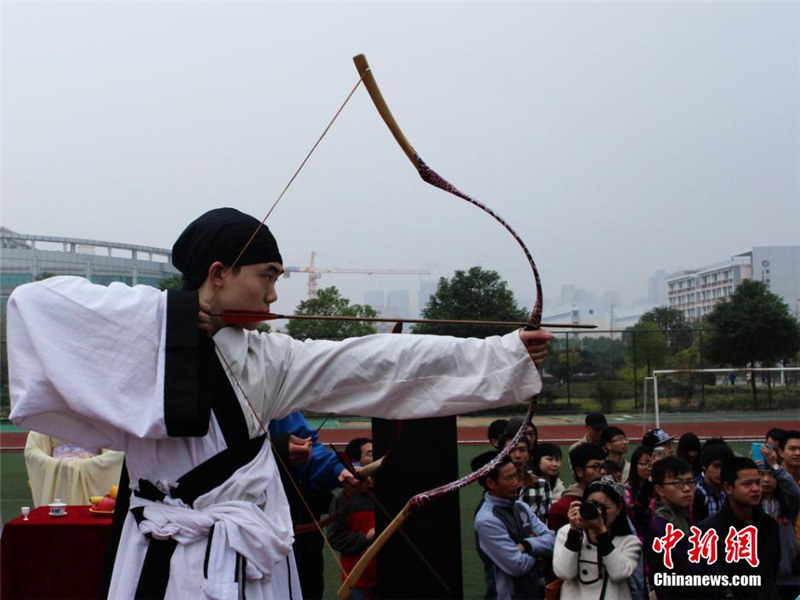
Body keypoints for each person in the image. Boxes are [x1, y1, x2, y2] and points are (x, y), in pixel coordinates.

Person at [7, 207, 553, 599]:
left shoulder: (268, 359)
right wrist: (166, 320)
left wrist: (503, 355)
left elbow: (376, 361)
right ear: (218, 275)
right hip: (166, 555)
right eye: (266, 277)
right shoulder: (141, 349)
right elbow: (34, 302)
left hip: (247, 557)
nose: (273, 296)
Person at [269, 412, 366, 600]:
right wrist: (276, 447)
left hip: (278, 535)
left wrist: (340, 470)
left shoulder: (267, 390)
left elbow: (308, 450)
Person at [698, 456, 781, 599]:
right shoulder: (709, 532)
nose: (755, 489)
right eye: (747, 484)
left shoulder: (769, 525)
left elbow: (771, 570)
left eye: (757, 483)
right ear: (728, 487)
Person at [474, 455, 555, 600]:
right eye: (509, 478)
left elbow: (553, 540)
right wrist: (539, 552)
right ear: (491, 483)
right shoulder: (487, 520)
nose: (516, 483)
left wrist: (527, 545)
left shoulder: (521, 507)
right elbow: (516, 566)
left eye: (516, 476)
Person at [553, 475, 643, 600]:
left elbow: (619, 574)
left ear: (619, 509)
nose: (598, 511)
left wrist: (601, 531)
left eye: (604, 507)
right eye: (592, 505)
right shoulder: (566, 532)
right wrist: (574, 532)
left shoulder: (630, 542)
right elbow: (564, 573)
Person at [644, 457, 703, 600]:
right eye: (678, 483)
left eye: (690, 482)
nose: (687, 489)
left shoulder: (684, 520)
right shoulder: (661, 530)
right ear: (659, 489)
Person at [327, 437, 377, 600]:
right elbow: (335, 538)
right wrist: (366, 538)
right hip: (357, 583)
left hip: (387, 578)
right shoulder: (344, 498)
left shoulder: (387, 493)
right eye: (370, 454)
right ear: (356, 461)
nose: (375, 457)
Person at [24, 431, 125, 507]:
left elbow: (118, 449)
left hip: (92, 470)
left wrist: (91, 463)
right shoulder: (48, 414)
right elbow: (32, 450)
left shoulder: (102, 415)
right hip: (59, 472)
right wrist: (55, 464)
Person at [753, 441, 800, 599]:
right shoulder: (750, 504)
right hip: (760, 575)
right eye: (761, 475)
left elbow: (796, 493)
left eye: (770, 475)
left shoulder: (787, 504)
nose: (766, 479)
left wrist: (776, 466)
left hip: (789, 575)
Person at [547, 443, 606, 532]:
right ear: (579, 472)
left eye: (604, 466)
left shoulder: (610, 501)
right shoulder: (562, 508)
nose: (603, 472)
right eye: (596, 466)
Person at [500, 433, 551, 521]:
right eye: (511, 450)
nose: (518, 455)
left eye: (522, 450)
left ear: (528, 456)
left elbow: (545, 521)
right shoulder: (497, 487)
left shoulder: (541, 485)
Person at [695, 442, 735, 522]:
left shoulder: (731, 492)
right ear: (704, 466)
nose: (720, 471)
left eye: (725, 466)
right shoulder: (695, 492)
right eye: (716, 466)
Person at [624, 445, 653, 539]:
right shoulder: (626, 491)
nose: (649, 468)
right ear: (634, 465)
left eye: (652, 464)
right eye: (644, 463)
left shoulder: (661, 489)